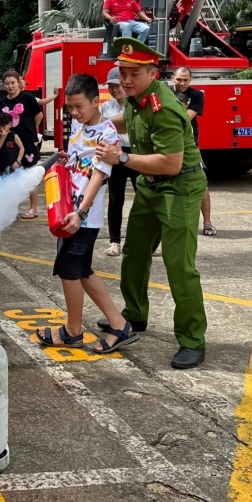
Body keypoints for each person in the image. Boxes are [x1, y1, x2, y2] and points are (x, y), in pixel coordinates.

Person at [95, 38, 209, 370]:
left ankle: (192, 339)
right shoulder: (135, 99)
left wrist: (122, 157)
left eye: (134, 73)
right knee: (135, 251)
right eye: (123, 72)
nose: (126, 80)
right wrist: (96, 123)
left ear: (152, 72)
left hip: (181, 187)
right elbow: (128, 123)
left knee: (179, 266)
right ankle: (134, 314)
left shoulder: (167, 108)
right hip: (151, 186)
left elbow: (171, 164)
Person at [36, 72, 139, 354]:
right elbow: (78, 164)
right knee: (81, 271)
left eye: (79, 106)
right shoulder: (78, 128)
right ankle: (119, 325)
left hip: (83, 217)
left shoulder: (107, 132)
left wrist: (81, 212)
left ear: (96, 101)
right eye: (70, 107)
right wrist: (66, 160)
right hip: (68, 212)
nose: (74, 112)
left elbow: (98, 174)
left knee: (70, 270)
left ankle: (72, 332)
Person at [0, 69, 43, 218]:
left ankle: (33, 208)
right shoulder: (2, 102)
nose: (10, 86)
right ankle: (12, 209)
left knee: (30, 174)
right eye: (6, 84)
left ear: (19, 82)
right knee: (11, 176)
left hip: (28, 141)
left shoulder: (27, 98)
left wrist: (31, 130)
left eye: (12, 83)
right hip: (9, 144)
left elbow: (39, 115)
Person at [100, 67, 137, 257]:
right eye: (111, 87)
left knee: (144, 198)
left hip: (137, 154)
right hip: (116, 155)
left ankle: (149, 241)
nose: (114, 90)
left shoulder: (136, 104)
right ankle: (115, 241)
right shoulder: (106, 108)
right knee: (116, 198)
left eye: (117, 86)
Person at [172, 67, 214, 237]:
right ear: (172, 78)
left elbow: (185, 118)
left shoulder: (197, 95)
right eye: (179, 79)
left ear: (190, 80)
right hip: (168, 144)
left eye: (185, 80)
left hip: (190, 144)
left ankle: (207, 223)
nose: (182, 83)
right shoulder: (164, 93)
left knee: (200, 183)